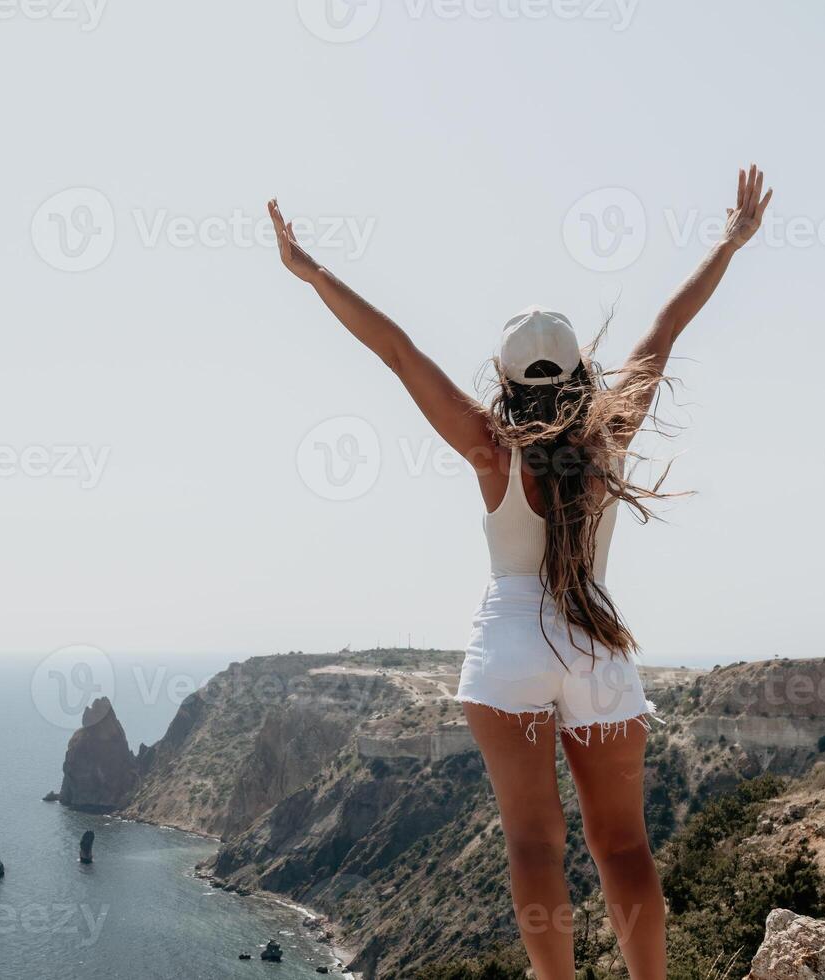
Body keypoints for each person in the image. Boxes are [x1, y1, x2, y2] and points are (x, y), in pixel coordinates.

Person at [266, 165, 771, 980]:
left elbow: (397, 351)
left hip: (508, 650)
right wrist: (729, 245)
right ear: (580, 376)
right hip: (596, 647)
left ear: (503, 382)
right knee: (624, 844)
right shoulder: (610, 439)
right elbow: (666, 327)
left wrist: (313, 271)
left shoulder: (487, 448)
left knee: (536, 843)